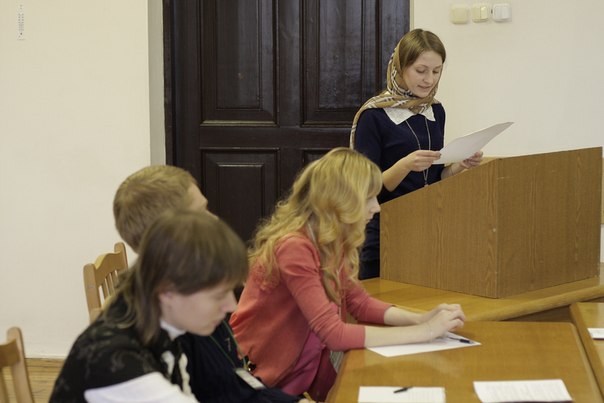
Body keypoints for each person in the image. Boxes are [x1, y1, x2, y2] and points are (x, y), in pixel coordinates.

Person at [230, 148, 466, 401]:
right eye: (369, 198)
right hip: (255, 384)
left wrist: (420, 319)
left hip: (289, 378)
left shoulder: (330, 241)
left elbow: (360, 304)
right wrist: (426, 331)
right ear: (341, 200)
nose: (376, 207)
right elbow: (333, 334)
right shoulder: (294, 247)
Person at [112, 165, 305, 403]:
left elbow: (236, 378)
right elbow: (227, 391)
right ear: (171, 232)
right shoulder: (173, 324)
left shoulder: (196, 295)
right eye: (202, 211)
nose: (214, 219)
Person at [50, 210, 249, 402]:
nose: (231, 305)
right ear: (167, 291)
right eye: (219, 295)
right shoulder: (118, 362)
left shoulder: (158, 326)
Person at [350, 29, 483, 279]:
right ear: (400, 68)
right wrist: (404, 165)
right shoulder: (374, 115)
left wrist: (459, 166)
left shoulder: (435, 111)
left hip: (428, 225)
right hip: (384, 230)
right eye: (421, 71)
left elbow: (434, 178)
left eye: (436, 71)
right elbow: (366, 188)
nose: (429, 80)